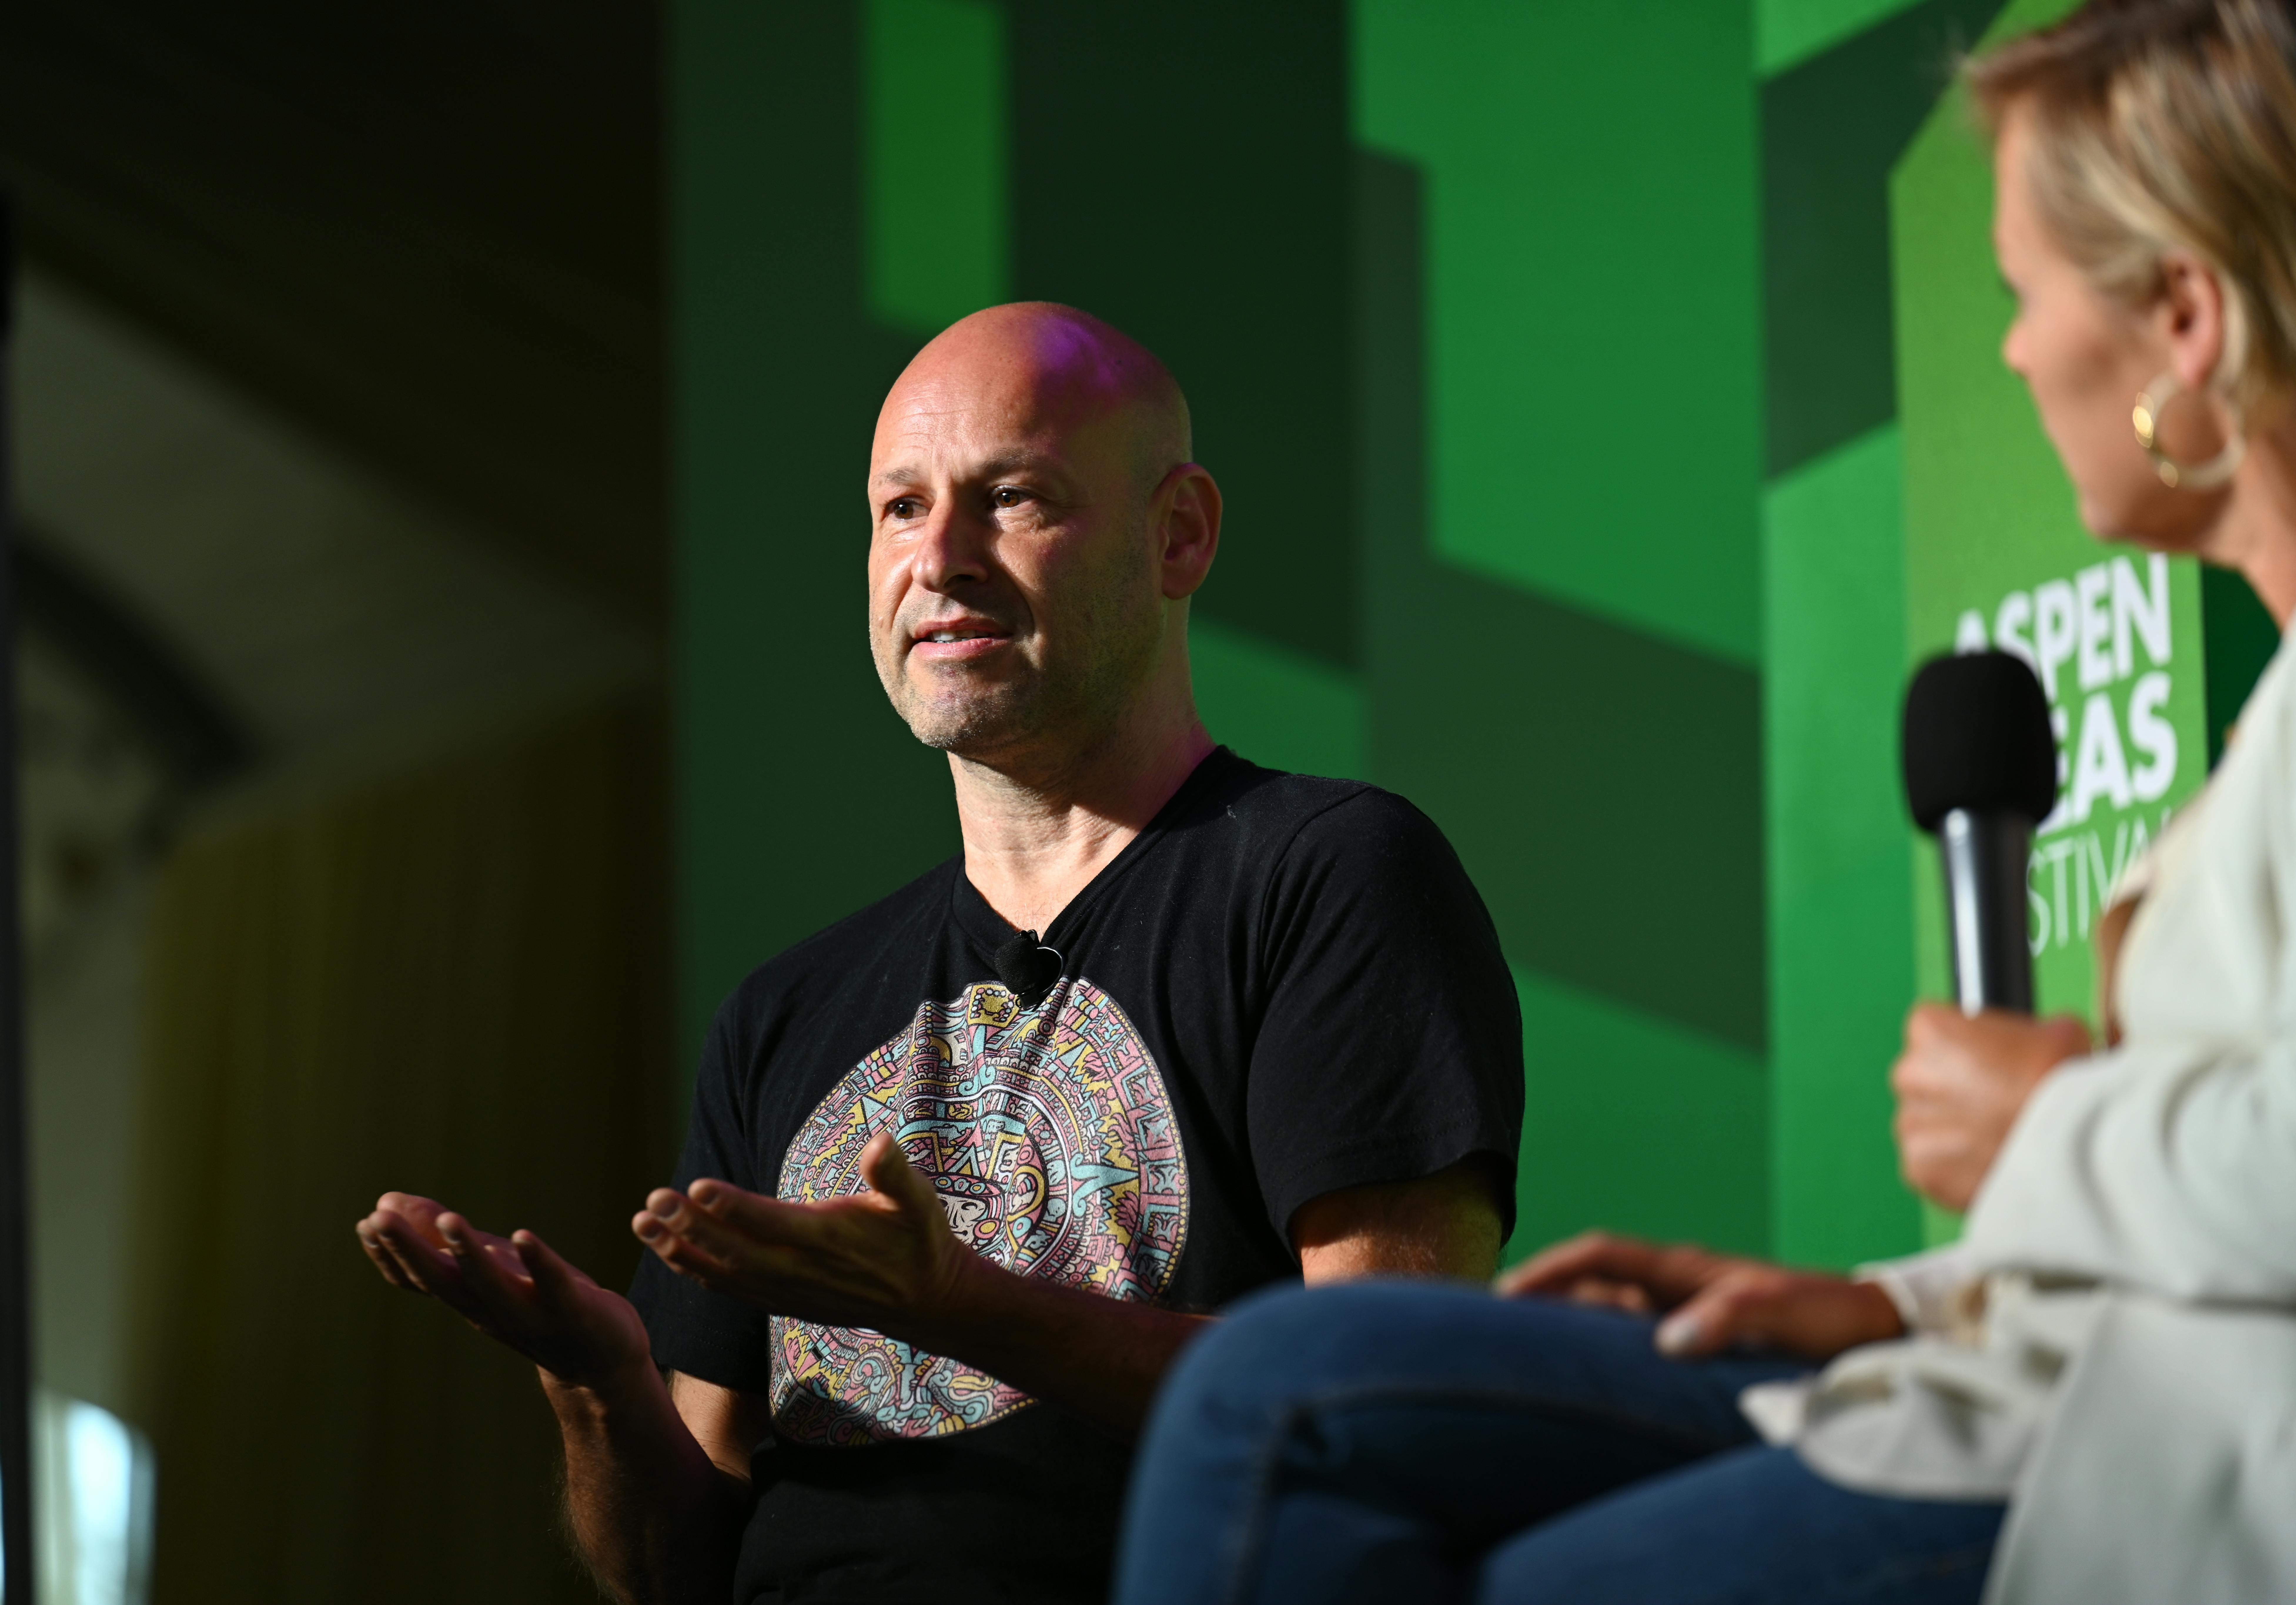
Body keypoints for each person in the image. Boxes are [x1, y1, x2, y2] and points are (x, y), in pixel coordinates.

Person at [1111, 2, 2296, 1602]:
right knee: (1285, 1383)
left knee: (1372, 1472)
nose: (2008, 348)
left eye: (2023, 291)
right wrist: (1879, 1302)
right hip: (2038, 1387)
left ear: (2186, 320)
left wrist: (2037, 1120)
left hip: (2193, 1470)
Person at [354, 303, 1523, 1604]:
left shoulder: (1324, 874)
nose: (941, 558)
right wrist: (599, 1381)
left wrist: (954, 1300)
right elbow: (670, 1577)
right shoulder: (782, 1013)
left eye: (1012, 498)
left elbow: (1387, 1412)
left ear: (1177, 532)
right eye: (900, 508)